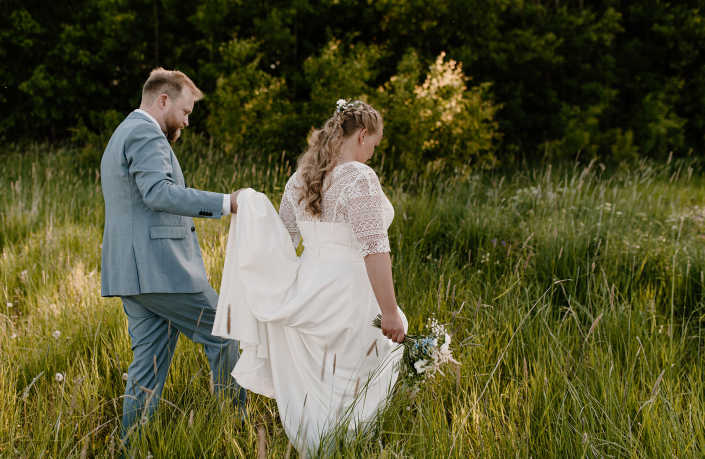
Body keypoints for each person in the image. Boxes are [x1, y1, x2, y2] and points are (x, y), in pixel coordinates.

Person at [214, 100, 406, 456]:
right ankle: (348, 446)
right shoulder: (361, 178)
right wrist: (390, 310)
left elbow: (285, 241)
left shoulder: (300, 178)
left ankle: (318, 447)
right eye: (374, 147)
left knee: (322, 381)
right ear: (363, 135)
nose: (372, 156)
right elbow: (374, 248)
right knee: (362, 373)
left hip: (309, 287)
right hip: (349, 292)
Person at [100, 68, 247, 446]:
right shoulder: (145, 133)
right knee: (226, 330)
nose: (186, 120)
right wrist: (225, 203)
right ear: (162, 100)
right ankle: (234, 431)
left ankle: (131, 450)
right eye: (185, 111)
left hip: (133, 274)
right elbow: (159, 194)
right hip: (160, 271)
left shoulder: (122, 133)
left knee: (147, 370)